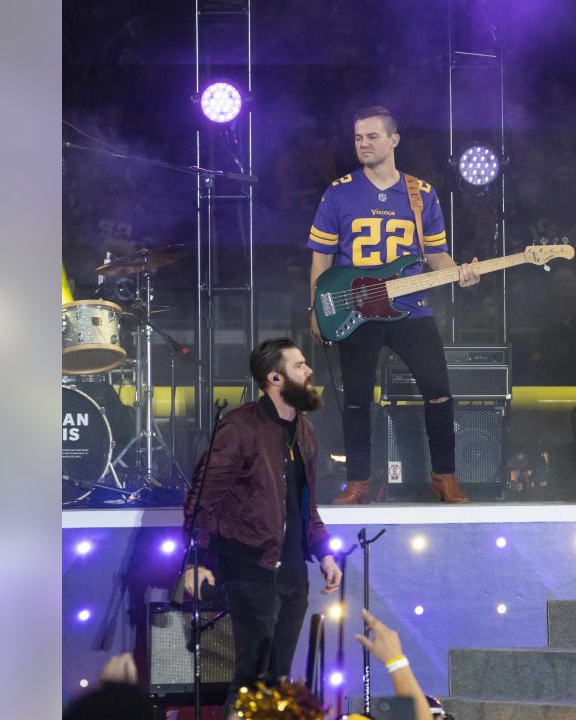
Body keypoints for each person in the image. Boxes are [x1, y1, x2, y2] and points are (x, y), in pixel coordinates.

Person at [307, 105, 479, 505]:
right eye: (357, 137)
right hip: (355, 310)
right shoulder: (339, 190)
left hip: (411, 308)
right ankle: (358, 483)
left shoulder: (421, 193)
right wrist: (316, 307)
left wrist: (462, 272)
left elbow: (437, 256)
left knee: (438, 391)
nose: (363, 144)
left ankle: (445, 478)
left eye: (371, 136)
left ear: (393, 140)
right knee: (356, 398)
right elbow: (321, 258)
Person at [181, 337, 343, 720]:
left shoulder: (304, 431)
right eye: (299, 365)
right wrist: (197, 559)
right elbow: (203, 497)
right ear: (275, 377)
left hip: (292, 573)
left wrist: (324, 554)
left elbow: (305, 505)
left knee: (278, 683)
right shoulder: (239, 427)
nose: (309, 371)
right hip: (251, 567)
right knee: (251, 682)